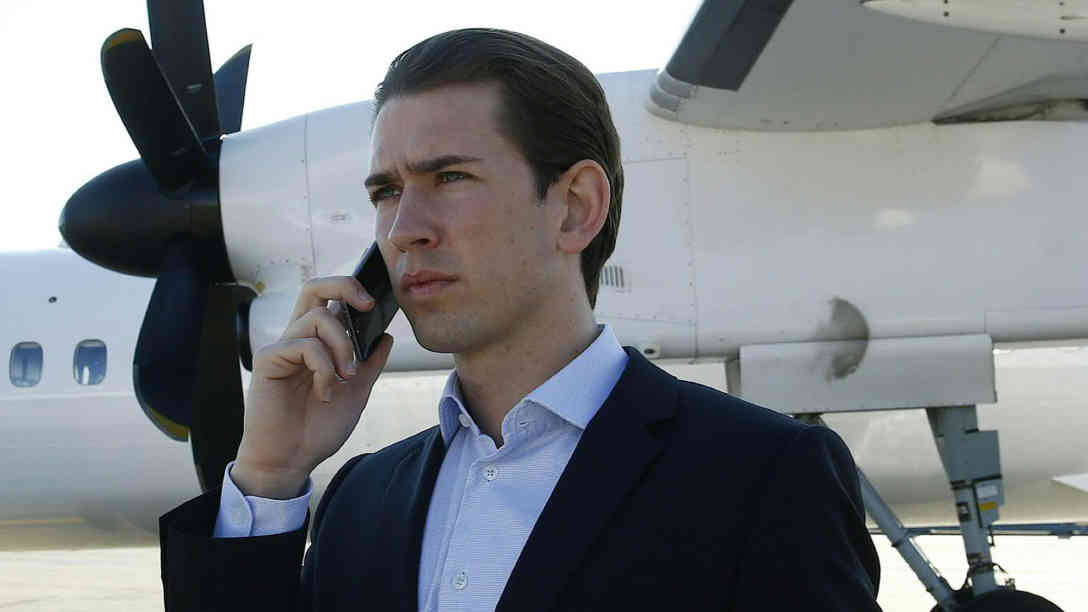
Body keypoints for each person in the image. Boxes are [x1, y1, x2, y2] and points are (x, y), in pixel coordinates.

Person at [159, 28, 881, 611]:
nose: (403, 230)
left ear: (575, 208)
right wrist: (269, 473)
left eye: (450, 177)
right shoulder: (360, 501)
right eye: (386, 192)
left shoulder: (764, 477)